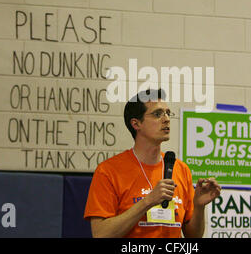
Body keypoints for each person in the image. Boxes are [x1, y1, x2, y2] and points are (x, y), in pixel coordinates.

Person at [84, 88, 221, 238]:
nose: (166, 119)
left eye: (168, 113)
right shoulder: (109, 171)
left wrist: (199, 206)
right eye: (157, 114)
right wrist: (148, 201)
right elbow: (101, 234)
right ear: (136, 124)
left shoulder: (180, 169)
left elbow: (193, 236)